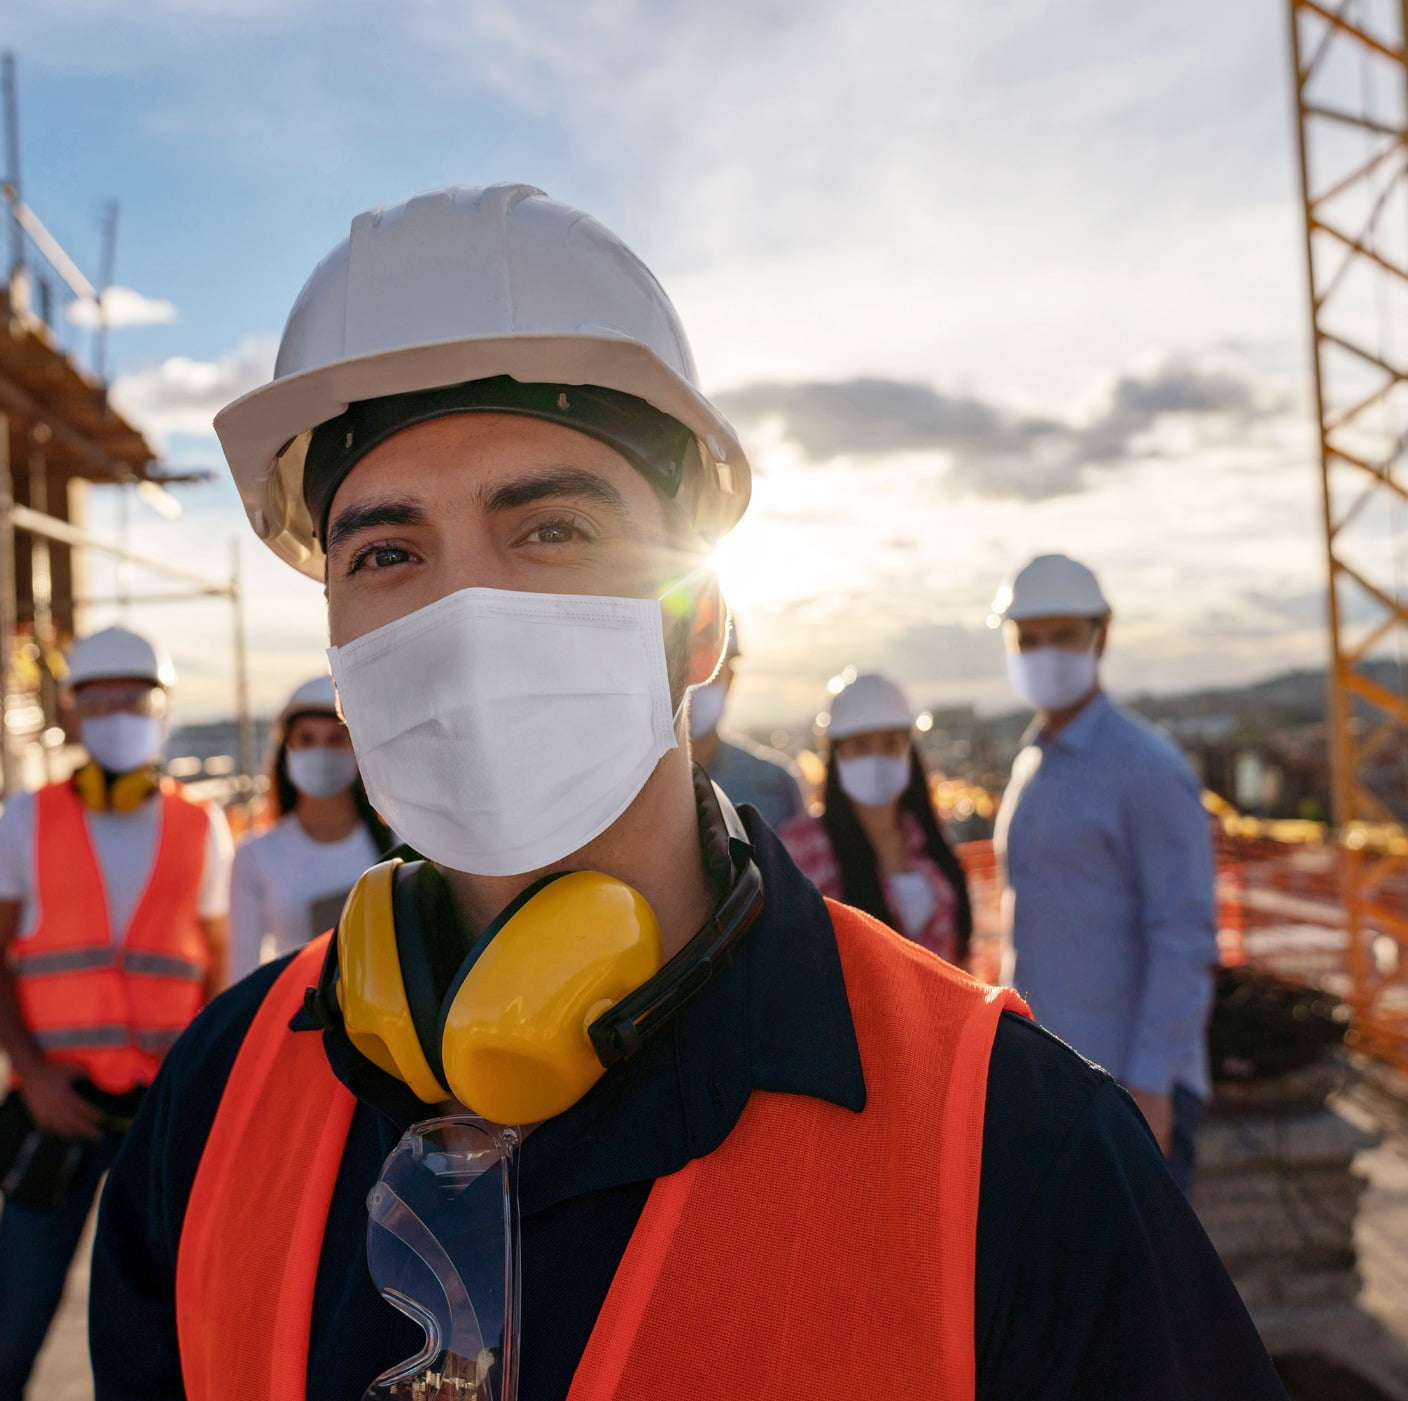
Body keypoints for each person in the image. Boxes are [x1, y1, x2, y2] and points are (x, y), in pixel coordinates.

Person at [90, 185, 1281, 1399]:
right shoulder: (212, 1113)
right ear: (340, 646)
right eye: (387, 554)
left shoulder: (1012, 1154)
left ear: (699, 619)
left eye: (551, 531)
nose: (464, 618)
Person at [0, 624, 232, 1401]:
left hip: (164, 1113)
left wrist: (201, 1088)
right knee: (16, 1318)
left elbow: (218, 968)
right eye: (99, 698)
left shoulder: (201, 825)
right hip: (58, 1107)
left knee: (173, 1325)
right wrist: (33, 1073)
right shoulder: (25, 820)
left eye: (134, 698)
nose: (116, 712)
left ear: (163, 708)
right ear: (72, 713)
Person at [990, 553, 1220, 1195]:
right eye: (1028, 639)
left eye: (1063, 635)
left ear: (1101, 636)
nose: (1045, 653)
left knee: (1143, 1294)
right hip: (1055, 1081)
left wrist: (1150, 1086)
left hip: (1126, 1088)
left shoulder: (1145, 767)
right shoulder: (1033, 765)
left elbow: (1184, 934)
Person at [780, 670, 971, 966]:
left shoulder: (927, 837)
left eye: (890, 744)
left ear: (909, 749)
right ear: (836, 755)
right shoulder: (801, 847)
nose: (876, 759)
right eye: (860, 746)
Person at [225, 675, 393, 985]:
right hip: (300, 1025)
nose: (321, 752)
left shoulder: (400, 844)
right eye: (306, 739)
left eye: (335, 739)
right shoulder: (255, 856)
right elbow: (242, 974)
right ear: (286, 749)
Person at [687, 620, 805, 827]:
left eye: (708, 672)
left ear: (729, 678)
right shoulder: (621, 790)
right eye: (680, 671)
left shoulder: (776, 786)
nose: (692, 688)